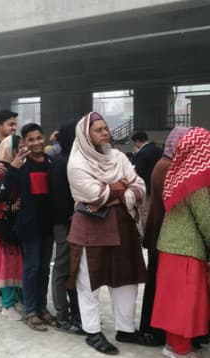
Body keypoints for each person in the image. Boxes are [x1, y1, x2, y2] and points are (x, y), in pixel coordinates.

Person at [67, 112, 147, 355]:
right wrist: (122, 190)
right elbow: (94, 195)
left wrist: (117, 193)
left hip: (123, 227)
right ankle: (93, 332)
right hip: (90, 228)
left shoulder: (118, 156)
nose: (105, 132)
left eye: (105, 128)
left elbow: (140, 185)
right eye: (98, 129)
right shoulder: (77, 162)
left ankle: (126, 329)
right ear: (86, 134)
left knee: (126, 281)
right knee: (88, 282)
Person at [151, 127, 210, 358]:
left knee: (173, 300)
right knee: (184, 303)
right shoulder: (197, 179)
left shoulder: (179, 172)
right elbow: (206, 218)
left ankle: (172, 345)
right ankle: (181, 350)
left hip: (171, 246)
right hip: (186, 248)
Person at [137, 127, 191, 348]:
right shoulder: (168, 167)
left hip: (161, 230)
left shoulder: (165, 164)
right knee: (160, 285)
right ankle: (155, 330)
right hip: (165, 233)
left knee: (157, 283)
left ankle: (154, 328)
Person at [10, 123, 55, 332]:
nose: (36, 142)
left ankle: (42, 307)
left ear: (43, 138)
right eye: (31, 139)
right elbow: (6, 190)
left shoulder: (50, 162)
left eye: (39, 138)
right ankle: (30, 311)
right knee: (31, 268)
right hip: (29, 225)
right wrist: (13, 168)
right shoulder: (21, 165)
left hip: (48, 224)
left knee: (45, 268)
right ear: (24, 142)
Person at [0, 135, 26, 318]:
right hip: (4, 228)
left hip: (18, 225)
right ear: (12, 151)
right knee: (8, 266)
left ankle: (15, 301)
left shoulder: (21, 168)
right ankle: (7, 304)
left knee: (18, 265)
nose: (25, 150)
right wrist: (11, 207)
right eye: (21, 147)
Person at [49, 120, 83, 334]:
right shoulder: (62, 161)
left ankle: (75, 313)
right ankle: (62, 316)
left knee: (74, 269)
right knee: (62, 268)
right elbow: (60, 198)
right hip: (64, 223)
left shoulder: (71, 158)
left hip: (72, 222)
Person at [131, 131, 163, 196]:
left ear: (137, 141)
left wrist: (135, 156)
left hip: (147, 187)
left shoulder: (141, 153)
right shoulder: (159, 150)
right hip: (160, 184)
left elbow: (137, 171)